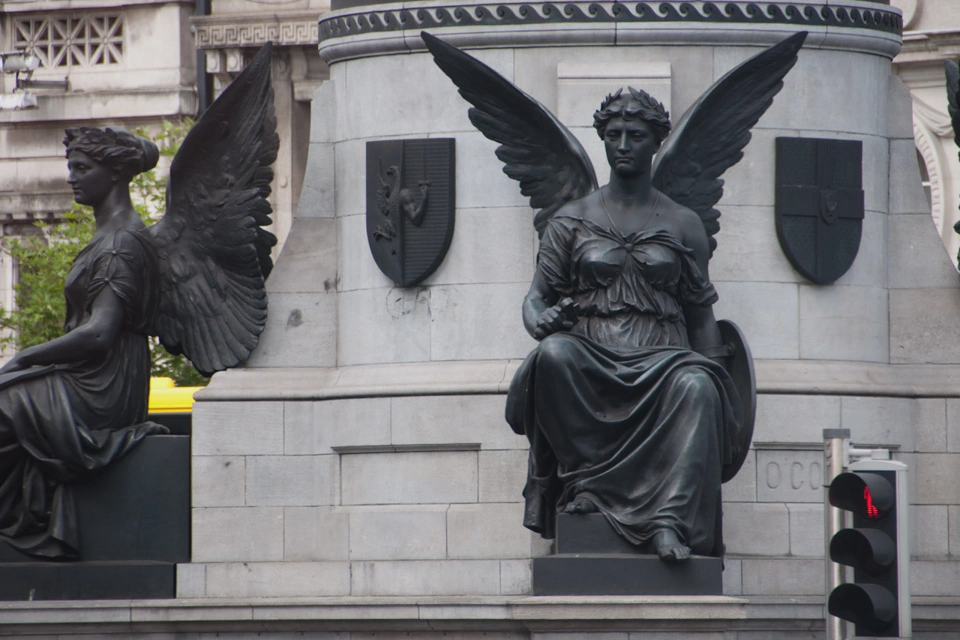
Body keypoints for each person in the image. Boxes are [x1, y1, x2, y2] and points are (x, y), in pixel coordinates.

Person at [505, 88, 743, 564]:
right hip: (590, 351)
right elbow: (535, 299)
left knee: (696, 385)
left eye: (635, 135)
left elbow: (700, 316)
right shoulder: (570, 219)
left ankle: (666, 522)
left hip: (663, 355)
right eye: (613, 135)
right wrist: (542, 322)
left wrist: (724, 389)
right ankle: (586, 486)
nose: (623, 144)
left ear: (655, 142)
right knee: (552, 357)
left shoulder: (684, 223)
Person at [0, 128, 166, 558]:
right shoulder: (112, 234)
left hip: (103, 384)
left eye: (82, 168)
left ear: (114, 174)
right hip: (93, 373)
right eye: (71, 166)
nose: (71, 177)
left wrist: (23, 358)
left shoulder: (121, 244)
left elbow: (97, 333)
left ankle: (26, 524)